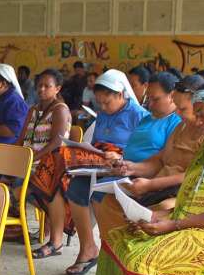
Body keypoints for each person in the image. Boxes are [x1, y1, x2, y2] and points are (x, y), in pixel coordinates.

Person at [94, 87, 204, 275]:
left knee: (148, 264)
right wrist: (164, 217)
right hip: (188, 221)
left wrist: (174, 224)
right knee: (121, 238)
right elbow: (192, 191)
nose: (197, 120)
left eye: (203, 114)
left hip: (203, 231)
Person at [61, 71, 181, 275]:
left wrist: (133, 170)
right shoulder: (149, 119)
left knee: (102, 196)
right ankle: (97, 255)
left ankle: (114, 266)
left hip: (153, 179)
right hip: (129, 169)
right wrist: (124, 163)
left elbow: (163, 162)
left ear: (172, 96)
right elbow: (141, 154)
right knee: (76, 186)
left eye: (155, 99)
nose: (150, 104)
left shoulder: (174, 123)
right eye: (148, 98)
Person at [29, 69, 147, 260]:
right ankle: (86, 247)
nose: (103, 107)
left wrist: (118, 155)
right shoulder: (103, 114)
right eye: (99, 103)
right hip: (100, 162)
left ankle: (89, 248)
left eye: (107, 102)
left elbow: (143, 150)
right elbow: (96, 141)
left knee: (67, 167)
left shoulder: (138, 115)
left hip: (123, 166)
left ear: (120, 94)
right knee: (68, 185)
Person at [92, 74, 204, 261]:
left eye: (182, 108)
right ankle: (117, 263)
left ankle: (139, 264)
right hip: (159, 187)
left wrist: (150, 185)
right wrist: (132, 168)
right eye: (176, 107)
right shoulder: (181, 127)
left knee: (159, 211)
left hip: (180, 194)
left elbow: (193, 175)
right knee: (109, 203)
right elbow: (160, 159)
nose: (177, 113)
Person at [17, 68, 71, 159]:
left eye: (47, 86)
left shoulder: (60, 110)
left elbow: (56, 144)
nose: (42, 89)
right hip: (26, 161)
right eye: (39, 85)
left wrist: (31, 160)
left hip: (48, 163)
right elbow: (21, 139)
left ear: (57, 89)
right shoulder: (33, 110)